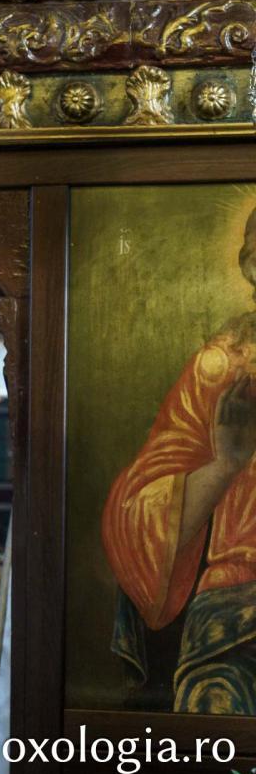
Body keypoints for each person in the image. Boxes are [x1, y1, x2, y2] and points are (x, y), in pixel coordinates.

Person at [103, 206, 256, 714]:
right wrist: (225, 466)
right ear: (250, 267)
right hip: (237, 610)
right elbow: (135, 515)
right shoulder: (221, 368)